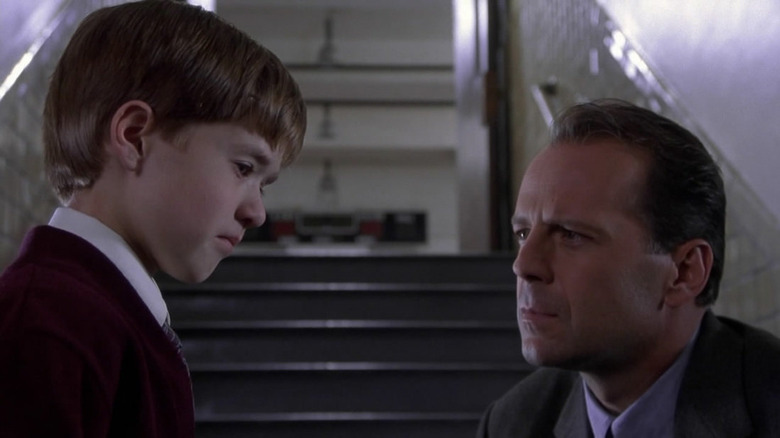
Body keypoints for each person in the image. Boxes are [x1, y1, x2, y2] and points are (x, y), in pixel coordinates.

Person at [0, 1, 306, 436]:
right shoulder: (46, 329)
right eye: (243, 168)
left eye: (264, 184)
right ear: (134, 137)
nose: (256, 212)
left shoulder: (100, 317)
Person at [477, 99, 780, 438]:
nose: (524, 265)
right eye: (522, 233)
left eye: (571, 235)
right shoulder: (512, 423)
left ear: (684, 271)